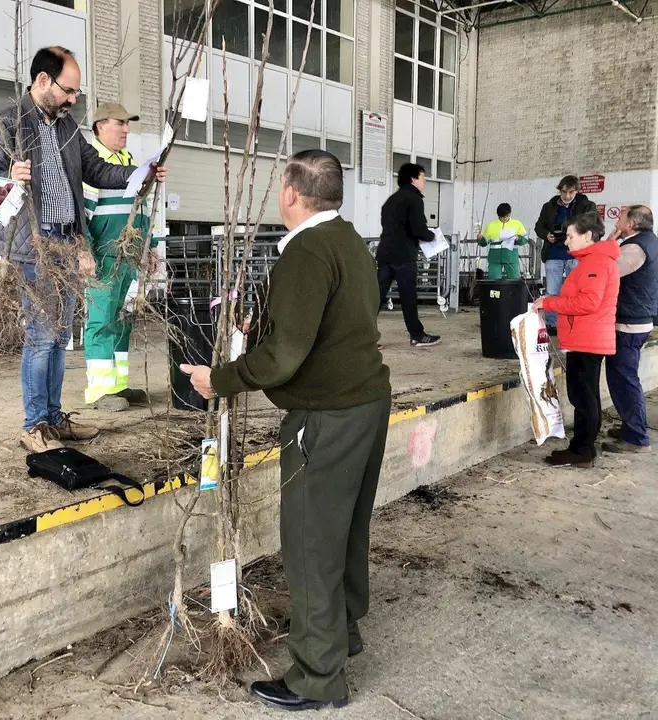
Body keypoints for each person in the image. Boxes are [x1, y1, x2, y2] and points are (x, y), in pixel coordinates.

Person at [180, 150, 392, 712]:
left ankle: (318, 678)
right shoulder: (349, 241)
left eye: (281, 184)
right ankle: (340, 634)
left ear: (293, 194)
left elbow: (286, 357)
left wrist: (219, 378)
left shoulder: (305, 251)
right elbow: (325, 323)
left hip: (326, 415)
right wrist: (269, 323)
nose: (280, 193)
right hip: (367, 402)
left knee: (309, 543)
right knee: (343, 531)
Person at [0, 46, 167, 453]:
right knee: (42, 337)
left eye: (76, 93)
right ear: (43, 81)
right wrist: (7, 176)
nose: (74, 100)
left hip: (65, 243)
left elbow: (97, 170)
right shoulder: (5, 121)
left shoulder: (66, 129)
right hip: (34, 245)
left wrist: (140, 173)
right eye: (69, 90)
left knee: (60, 336)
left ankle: (54, 418)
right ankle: (34, 425)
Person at [82, 102, 157, 412]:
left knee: (123, 318)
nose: (127, 129)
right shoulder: (92, 163)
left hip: (130, 257)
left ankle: (117, 385)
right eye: (120, 123)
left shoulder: (129, 161)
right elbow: (82, 213)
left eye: (128, 124)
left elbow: (138, 212)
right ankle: (99, 391)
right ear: (100, 126)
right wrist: (83, 251)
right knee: (101, 319)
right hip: (103, 256)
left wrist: (148, 248)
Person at [533, 212, 619, 468]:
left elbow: (588, 302)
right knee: (586, 396)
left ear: (587, 236)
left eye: (571, 236)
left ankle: (582, 450)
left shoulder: (596, 263)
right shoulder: (594, 260)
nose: (567, 241)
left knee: (583, 398)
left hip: (588, 339)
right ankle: (583, 446)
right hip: (586, 337)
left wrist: (550, 303)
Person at [601, 205, 657, 454]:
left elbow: (606, 271)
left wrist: (609, 243)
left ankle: (636, 437)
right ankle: (631, 427)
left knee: (624, 379)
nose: (616, 222)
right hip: (637, 319)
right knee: (624, 376)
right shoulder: (649, 241)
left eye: (621, 218)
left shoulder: (634, 248)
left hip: (629, 323)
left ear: (631, 224)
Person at [376, 163, 441, 348]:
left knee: (376, 297)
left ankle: (362, 339)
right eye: (422, 177)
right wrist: (433, 236)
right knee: (408, 297)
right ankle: (417, 335)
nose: (425, 180)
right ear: (413, 178)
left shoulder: (390, 200)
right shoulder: (414, 199)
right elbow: (418, 229)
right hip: (404, 255)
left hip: (385, 254)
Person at [535, 175, 598, 335]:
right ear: (559, 190)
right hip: (554, 253)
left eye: (571, 192)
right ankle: (552, 324)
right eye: (564, 192)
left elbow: (594, 227)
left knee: (577, 292)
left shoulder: (587, 205)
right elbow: (539, 227)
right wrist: (547, 235)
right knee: (552, 291)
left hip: (576, 255)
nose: (567, 196)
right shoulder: (548, 206)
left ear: (577, 191)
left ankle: (576, 322)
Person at [477, 203, 529, 280]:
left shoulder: (517, 224)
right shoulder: (491, 225)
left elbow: (525, 240)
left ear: (510, 214)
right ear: (498, 216)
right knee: (494, 281)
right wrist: (480, 239)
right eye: (502, 217)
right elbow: (484, 242)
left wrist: (519, 238)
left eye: (507, 216)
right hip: (495, 258)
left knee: (514, 280)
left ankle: (514, 292)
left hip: (511, 257)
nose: (505, 219)